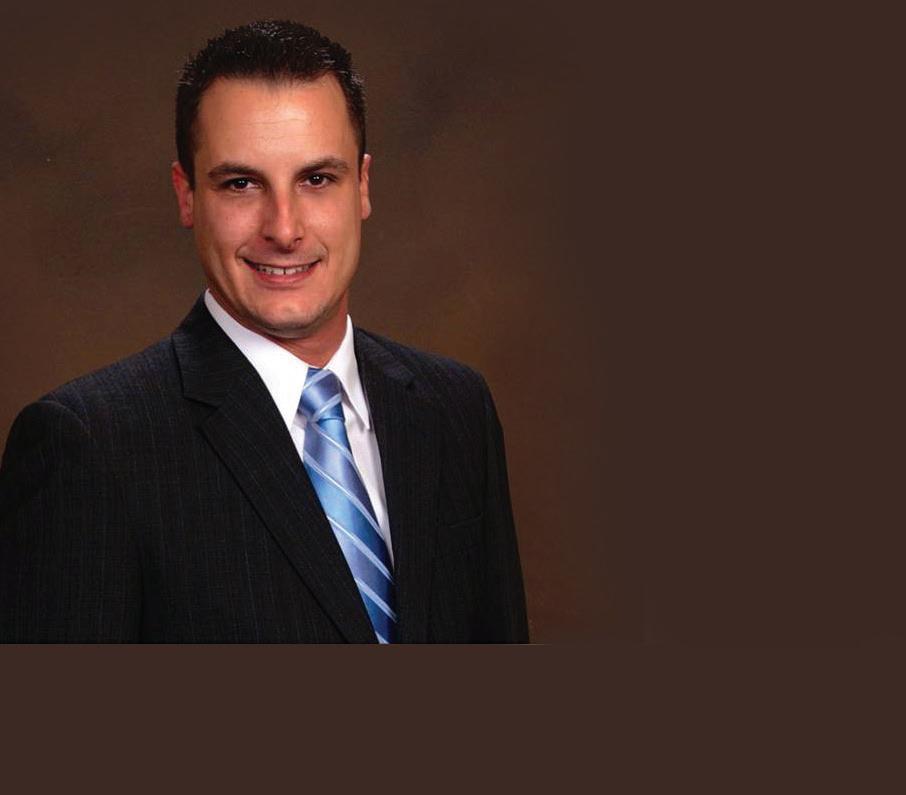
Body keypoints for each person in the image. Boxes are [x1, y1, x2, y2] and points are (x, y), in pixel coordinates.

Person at [0, 20, 529, 643]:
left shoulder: (456, 409)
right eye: (241, 184)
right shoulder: (88, 446)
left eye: (317, 179)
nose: (284, 228)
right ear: (186, 195)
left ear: (362, 186)